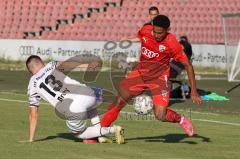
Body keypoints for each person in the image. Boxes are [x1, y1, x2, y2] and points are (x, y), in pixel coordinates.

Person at [100, 15, 202, 137]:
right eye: (155, 31)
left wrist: (194, 91)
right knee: (118, 102)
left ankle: (180, 119)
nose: (157, 35)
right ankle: (98, 132)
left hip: (159, 79)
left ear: (167, 30)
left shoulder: (172, 43)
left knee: (160, 115)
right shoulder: (145, 30)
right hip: (140, 74)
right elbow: (139, 37)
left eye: (161, 33)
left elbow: (188, 66)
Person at [26, 55, 124, 144]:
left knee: (78, 134)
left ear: (31, 70)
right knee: (91, 105)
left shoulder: (32, 84)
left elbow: (33, 115)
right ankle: (100, 136)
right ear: (41, 62)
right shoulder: (51, 65)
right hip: (88, 93)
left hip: (74, 107)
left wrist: (31, 139)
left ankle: (113, 130)